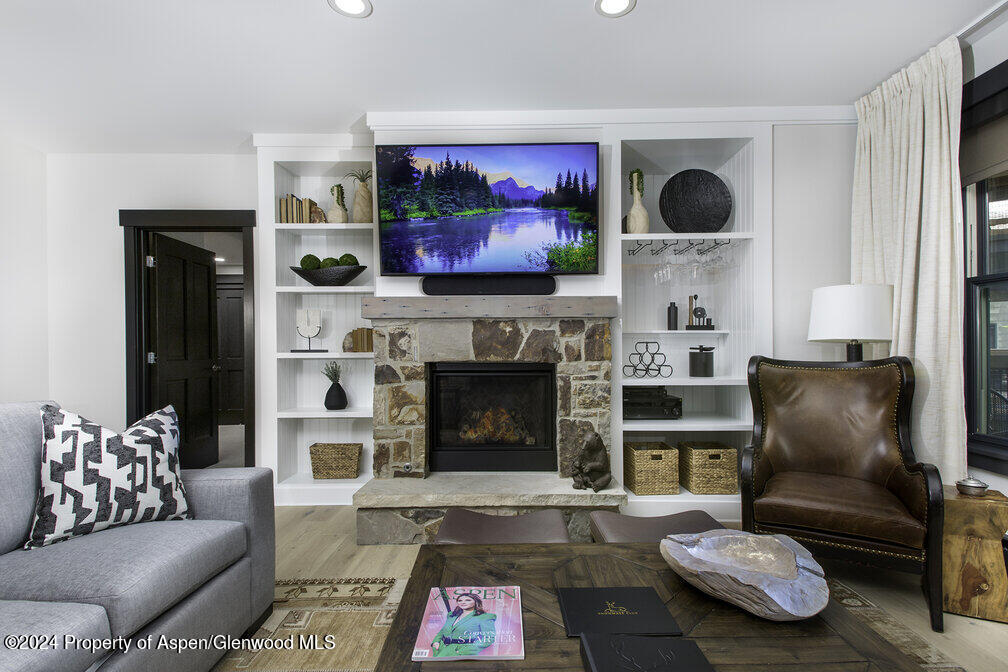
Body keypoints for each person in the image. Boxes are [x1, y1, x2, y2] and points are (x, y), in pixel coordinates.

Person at [430, 592, 497, 658]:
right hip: (440, 648)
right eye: (460, 600)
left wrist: (463, 651)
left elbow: (489, 638)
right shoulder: (451, 615)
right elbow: (444, 629)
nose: (463, 602)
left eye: (468, 600)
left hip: (461, 651)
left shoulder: (485, 617)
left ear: (476, 602)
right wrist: (435, 642)